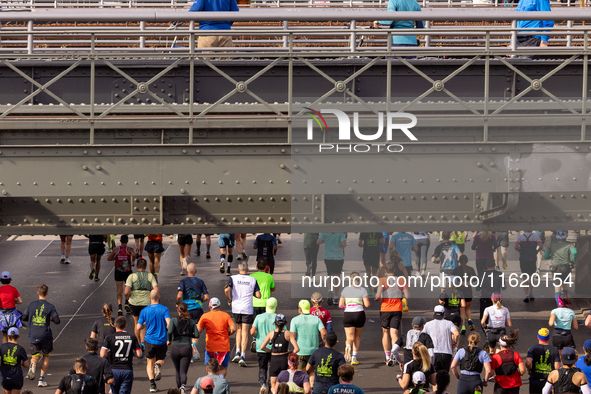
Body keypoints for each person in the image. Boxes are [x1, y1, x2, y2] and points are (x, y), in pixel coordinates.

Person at [22, 284, 60, 388]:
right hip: (45, 335)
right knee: (46, 356)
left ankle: (33, 364)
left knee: (35, 356)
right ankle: (41, 379)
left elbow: (24, 317)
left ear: (38, 293)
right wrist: (50, 319)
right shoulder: (50, 306)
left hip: (33, 334)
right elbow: (57, 321)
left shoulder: (31, 305)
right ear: (47, 293)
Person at [224, 261, 261, 367]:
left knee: (239, 329)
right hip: (247, 308)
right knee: (245, 331)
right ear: (248, 270)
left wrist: (229, 299)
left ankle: (237, 352)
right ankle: (243, 356)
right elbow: (258, 295)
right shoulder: (253, 279)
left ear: (238, 270)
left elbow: (227, 289)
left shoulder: (233, 278)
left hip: (236, 307)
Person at [375, 262, 410, 365]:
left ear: (385, 271)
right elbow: (407, 296)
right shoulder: (401, 280)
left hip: (385, 309)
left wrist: (379, 298)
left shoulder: (382, 280)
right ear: (394, 270)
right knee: (394, 333)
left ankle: (387, 356)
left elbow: (378, 296)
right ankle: (395, 354)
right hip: (397, 309)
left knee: (385, 333)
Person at [137, 290, 171, 393]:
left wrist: (143, 325)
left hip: (149, 340)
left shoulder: (144, 311)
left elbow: (138, 327)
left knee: (149, 361)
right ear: (159, 297)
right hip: (161, 340)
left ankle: (152, 385)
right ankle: (158, 365)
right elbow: (169, 323)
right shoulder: (164, 309)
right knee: (161, 359)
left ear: (149, 297)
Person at [125, 257, 159, 355]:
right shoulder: (150, 276)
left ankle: (138, 343)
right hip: (146, 302)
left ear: (136, 266)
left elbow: (126, 291)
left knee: (136, 322)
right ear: (146, 266)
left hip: (134, 302)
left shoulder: (131, 276)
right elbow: (156, 289)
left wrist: (128, 298)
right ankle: (143, 342)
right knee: (144, 322)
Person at [197, 298, 237, 378]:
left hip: (210, 347)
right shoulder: (226, 315)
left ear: (209, 306)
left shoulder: (205, 316)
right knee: (223, 368)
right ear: (220, 306)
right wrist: (227, 334)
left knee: (210, 368)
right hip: (223, 347)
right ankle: (220, 379)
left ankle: (212, 382)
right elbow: (234, 328)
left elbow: (198, 331)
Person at [101, 316, 142, 394]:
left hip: (114, 370)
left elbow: (102, 354)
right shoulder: (132, 337)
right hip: (127, 369)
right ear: (125, 326)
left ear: (115, 325)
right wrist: (130, 353)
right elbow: (139, 354)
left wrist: (110, 352)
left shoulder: (109, 337)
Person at [176, 262, 209, 359]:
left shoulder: (183, 281)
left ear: (186, 271)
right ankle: (194, 345)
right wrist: (199, 301)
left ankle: (187, 351)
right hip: (197, 308)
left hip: (186, 308)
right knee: (196, 328)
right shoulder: (200, 281)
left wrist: (178, 303)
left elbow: (179, 295)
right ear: (196, 271)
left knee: (185, 329)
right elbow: (206, 297)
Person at [260, 313, 300, 392]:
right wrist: (290, 352)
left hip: (274, 360)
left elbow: (262, 347)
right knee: (285, 383)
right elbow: (297, 349)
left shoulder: (271, 333)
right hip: (284, 359)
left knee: (273, 384)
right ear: (285, 323)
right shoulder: (288, 333)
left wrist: (271, 351)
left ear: (275, 323)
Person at [167, 302, 199, 393]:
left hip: (175, 347)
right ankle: (183, 386)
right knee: (183, 371)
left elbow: (169, 332)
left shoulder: (173, 320)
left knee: (177, 370)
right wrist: (189, 334)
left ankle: (179, 389)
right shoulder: (191, 321)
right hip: (186, 347)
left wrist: (169, 340)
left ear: (178, 310)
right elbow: (197, 334)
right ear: (187, 310)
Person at [339, 272, 370, 365]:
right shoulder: (363, 290)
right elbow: (367, 304)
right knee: (357, 336)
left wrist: (347, 305)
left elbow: (340, 304)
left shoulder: (345, 290)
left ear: (351, 280)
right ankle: (354, 357)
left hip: (348, 313)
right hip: (359, 313)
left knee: (349, 337)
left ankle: (348, 346)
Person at [291, 300, 327, 379]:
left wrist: (294, 347)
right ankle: (311, 389)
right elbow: (323, 332)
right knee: (312, 372)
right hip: (314, 351)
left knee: (300, 374)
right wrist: (323, 341)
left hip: (300, 351)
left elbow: (293, 335)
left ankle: (303, 389)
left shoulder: (294, 320)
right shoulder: (316, 319)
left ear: (300, 309)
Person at [251, 297, 278, 394]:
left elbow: (252, 331)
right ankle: (271, 388)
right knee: (272, 369)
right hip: (274, 348)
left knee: (262, 368)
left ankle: (262, 385)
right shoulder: (278, 317)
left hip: (261, 348)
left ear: (266, 305)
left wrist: (257, 335)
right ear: (276, 306)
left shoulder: (259, 317)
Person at [422, 305, 460, 373]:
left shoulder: (428, 324)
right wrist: (454, 343)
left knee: (434, 375)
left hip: (433, 352)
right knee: (444, 376)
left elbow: (422, 336)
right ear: (444, 314)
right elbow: (456, 334)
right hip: (446, 353)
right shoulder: (449, 323)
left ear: (434, 313)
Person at [544, 231, 577, 306]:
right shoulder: (569, 244)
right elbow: (574, 252)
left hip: (555, 268)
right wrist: (573, 261)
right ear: (565, 237)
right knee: (564, 286)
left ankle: (559, 305)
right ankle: (565, 304)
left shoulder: (551, 244)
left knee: (557, 288)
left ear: (557, 236)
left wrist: (552, 257)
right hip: (566, 268)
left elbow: (545, 256)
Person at [107, 234, 136, 316]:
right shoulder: (129, 249)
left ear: (120, 241)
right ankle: (127, 302)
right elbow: (134, 255)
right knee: (128, 288)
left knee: (119, 290)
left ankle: (120, 307)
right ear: (127, 241)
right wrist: (132, 261)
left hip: (118, 271)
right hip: (127, 271)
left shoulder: (116, 249)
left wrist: (116, 258)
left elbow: (109, 258)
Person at [526, 328, 560, 394]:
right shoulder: (555, 350)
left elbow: (528, 363)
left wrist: (529, 369)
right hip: (548, 381)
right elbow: (557, 367)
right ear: (549, 338)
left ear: (538, 337)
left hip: (535, 380)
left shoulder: (532, 349)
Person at [318, 232, 348, 305]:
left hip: (328, 256)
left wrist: (326, 240)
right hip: (338, 257)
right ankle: (336, 297)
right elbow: (344, 244)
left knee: (330, 275)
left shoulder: (325, 231)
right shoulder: (340, 232)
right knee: (337, 276)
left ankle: (329, 290)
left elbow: (318, 241)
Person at [477, 259, 505, 333]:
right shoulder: (500, 274)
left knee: (483, 319)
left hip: (484, 298)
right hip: (496, 299)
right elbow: (504, 287)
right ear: (494, 265)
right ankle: (494, 334)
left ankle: (487, 335)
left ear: (486, 266)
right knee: (496, 317)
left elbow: (477, 288)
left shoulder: (482, 275)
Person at [515, 231, 544, 302]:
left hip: (523, 258)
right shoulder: (536, 237)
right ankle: (531, 292)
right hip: (532, 257)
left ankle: (526, 294)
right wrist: (536, 251)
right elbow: (541, 246)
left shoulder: (520, 237)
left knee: (525, 276)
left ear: (524, 230)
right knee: (531, 276)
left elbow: (516, 247)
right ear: (531, 230)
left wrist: (520, 250)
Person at [452, 255, 477, 334]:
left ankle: (463, 326)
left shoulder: (456, 269)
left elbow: (452, 279)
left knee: (462, 310)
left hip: (460, 291)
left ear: (459, 261)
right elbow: (475, 278)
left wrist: (458, 283)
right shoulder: (471, 269)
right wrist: (469, 282)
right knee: (468, 308)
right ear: (467, 261)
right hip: (468, 290)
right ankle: (469, 320)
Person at [1, 327, 29, 394]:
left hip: (5, 376)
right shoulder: (20, 349)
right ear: (18, 336)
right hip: (17, 377)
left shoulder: (1, 347)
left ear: (8, 336)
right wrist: (21, 362)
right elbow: (26, 365)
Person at [0, 271, 23, 344]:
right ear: (10, 280)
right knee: (12, 333)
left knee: (4, 334)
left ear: (1, 280)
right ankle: (12, 351)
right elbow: (20, 301)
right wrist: (13, 301)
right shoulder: (13, 289)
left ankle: (3, 352)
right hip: (12, 314)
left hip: (2, 314)